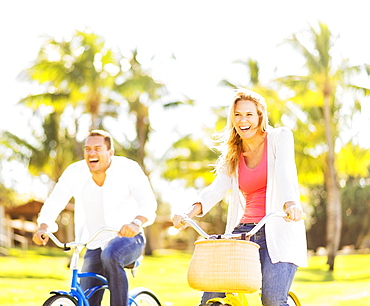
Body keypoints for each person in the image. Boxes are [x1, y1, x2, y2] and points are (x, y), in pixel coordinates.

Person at [172, 89, 307, 306]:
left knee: (272, 299)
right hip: (243, 233)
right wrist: (188, 212)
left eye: (249, 114)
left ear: (260, 116)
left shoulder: (279, 137)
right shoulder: (233, 152)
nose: (243, 120)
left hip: (278, 228)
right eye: (237, 115)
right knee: (212, 297)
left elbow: (284, 173)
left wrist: (291, 203)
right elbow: (217, 188)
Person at [33, 130, 157, 306]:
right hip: (94, 244)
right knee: (87, 300)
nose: (91, 153)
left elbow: (148, 202)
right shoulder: (75, 172)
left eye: (98, 148)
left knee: (111, 254)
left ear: (110, 152)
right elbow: (55, 201)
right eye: (87, 149)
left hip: (129, 238)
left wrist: (136, 223)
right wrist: (43, 227)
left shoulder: (128, 168)